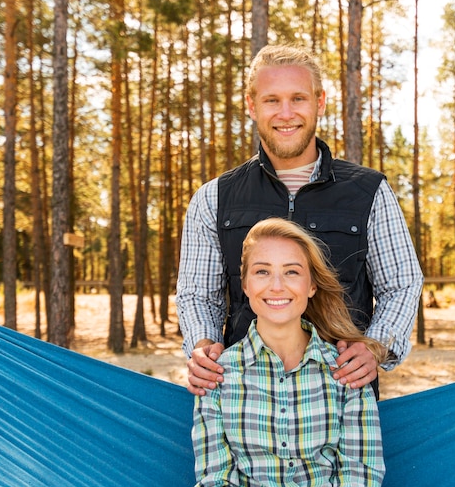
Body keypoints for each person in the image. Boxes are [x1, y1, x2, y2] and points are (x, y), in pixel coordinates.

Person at [177, 44, 423, 397]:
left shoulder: (370, 191)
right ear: (252, 106)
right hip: (243, 399)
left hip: (343, 398)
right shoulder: (213, 198)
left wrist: (376, 346)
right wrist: (203, 346)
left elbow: (401, 283)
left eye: (298, 99)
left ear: (319, 102)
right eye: (272, 100)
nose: (286, 113)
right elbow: (198, 294)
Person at [192, 218, 392, 487]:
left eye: (292, 272)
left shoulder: (347, 370)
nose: (277, 286)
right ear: (245, 285)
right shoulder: (217, 374)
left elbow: (361, 482)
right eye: (262, 272)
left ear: (312, 286)